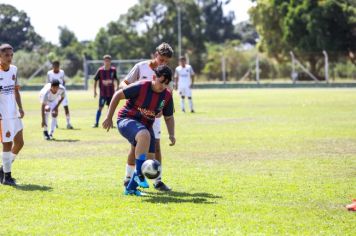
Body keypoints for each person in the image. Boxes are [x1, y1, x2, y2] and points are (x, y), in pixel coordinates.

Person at [103, 65, 175, 196]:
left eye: (166, 83)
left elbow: (169, 117)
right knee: (144, 134)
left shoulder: (167, 96)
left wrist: (171, 134)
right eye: (161, 82)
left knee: (150, 161)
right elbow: (117, 95)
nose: (163, 86)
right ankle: (140, 175)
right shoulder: (141, 86)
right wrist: (108, 117)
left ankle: (130, 189)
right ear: (154, 77)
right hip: (126, 119)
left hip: (146, 126)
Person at [119, 42, 174, 191]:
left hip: (153, 116)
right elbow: (124, 83)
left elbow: (169, 95)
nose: (163, 63)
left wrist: (162, 108)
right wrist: (132, 94)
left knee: (156, 146)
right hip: (136, 114)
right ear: (155, 54)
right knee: (135, 146)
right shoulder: (141, 67)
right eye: (161, 59)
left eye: (166, 61)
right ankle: (128, 178)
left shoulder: (165, 73)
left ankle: (157, 181)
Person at [0, 43, 25, 186]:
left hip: (14, 112)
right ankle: (7, 177)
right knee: (7, 143)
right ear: (0, 56)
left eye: (11, 55)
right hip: (3, 114)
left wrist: (20, 108)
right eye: (6, 55)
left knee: (20, 143)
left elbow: (16, 90)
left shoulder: (14, 69)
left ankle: (3, 169)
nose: (9, 58)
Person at [92, 55, 119, 128]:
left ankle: (111, 124)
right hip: (103, 94)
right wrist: (95, 91)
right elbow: (95, 80)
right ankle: (96, 123)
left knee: (110, 109)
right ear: (104, 61)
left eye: (108, 61)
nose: (107, 62)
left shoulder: (113, 70)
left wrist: (117, 88)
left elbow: (117, 79)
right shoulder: (100, 70)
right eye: (106, 61)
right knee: (100, 108)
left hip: (111, 94)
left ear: (110, 61)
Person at [47, 60, 74, 129]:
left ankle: (68, 123)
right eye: (55, 66)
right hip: (53, 93)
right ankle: (55, 123)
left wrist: (63, 89)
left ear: (59, 66)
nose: (56, 67)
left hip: (61, 92)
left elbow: (63, 81)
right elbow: (48, 83)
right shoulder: (49, 73)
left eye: (57, 66)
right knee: (54, 108)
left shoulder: (62, 72)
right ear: (52, 66)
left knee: (66, 107)